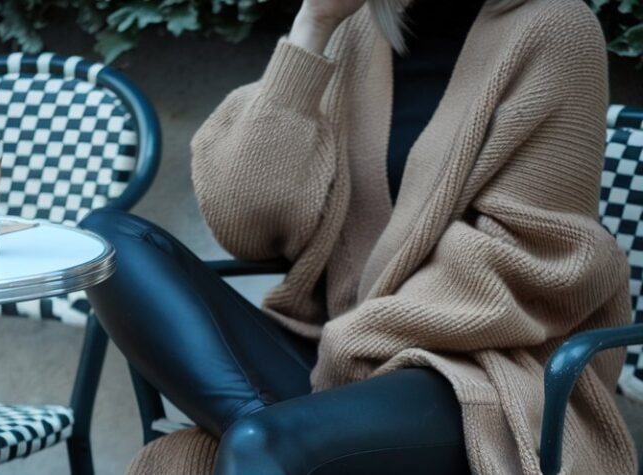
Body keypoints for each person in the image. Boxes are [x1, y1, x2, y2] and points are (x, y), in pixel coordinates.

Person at [82, 0, 638, 473]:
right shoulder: (353, 32)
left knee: (256, 445)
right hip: (333, 350)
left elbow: (525, 252)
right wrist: (311, 29)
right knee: (107, 243)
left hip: (471, 367)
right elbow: (246, 223)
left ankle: (283, 434)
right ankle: (287, 433)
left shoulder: (556, 28)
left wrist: (366, 334)